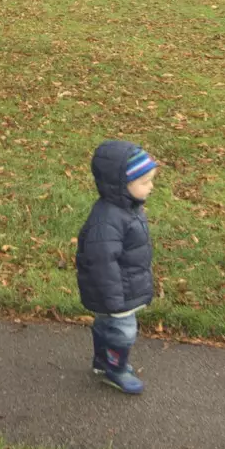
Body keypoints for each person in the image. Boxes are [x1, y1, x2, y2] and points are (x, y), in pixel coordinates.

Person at [76, 139, 158, 394]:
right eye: (144, 182)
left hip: (124, 284)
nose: (151, 187)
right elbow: (101, 261)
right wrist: (113, 299)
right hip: (115, 291)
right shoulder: (108, 219)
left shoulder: (128, 209)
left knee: (106, 325)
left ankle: (103, 360)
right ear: (121, 185)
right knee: (124, 332)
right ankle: (116, 368)